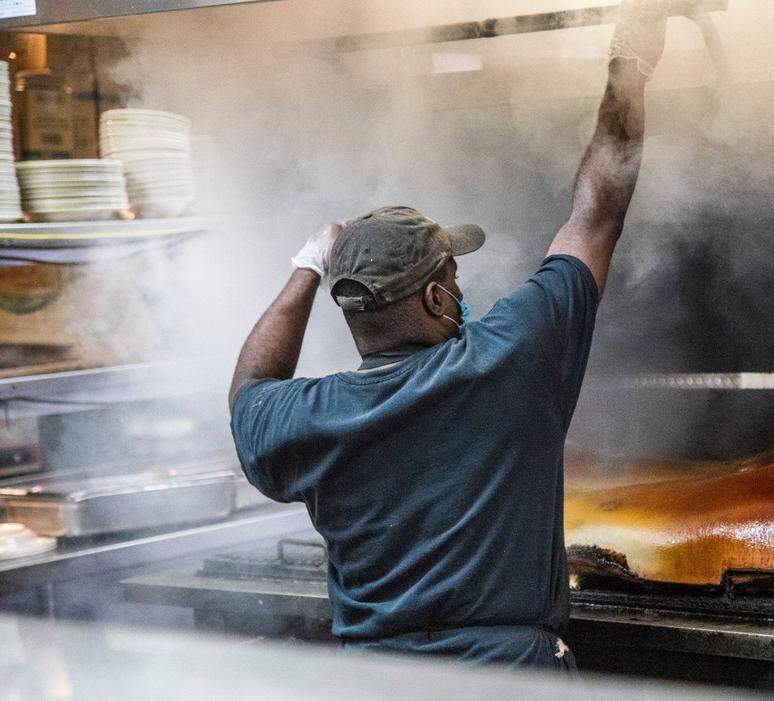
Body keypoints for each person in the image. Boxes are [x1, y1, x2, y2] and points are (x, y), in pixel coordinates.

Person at [228, 0, 692, 671]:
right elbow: (597, 215)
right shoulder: (508, 357)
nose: (460, 288)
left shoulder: (308, 419)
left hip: (377, 680)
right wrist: (631, 64)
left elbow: (249, 388)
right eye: (452, 273)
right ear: (434, 296)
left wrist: (307, 266)